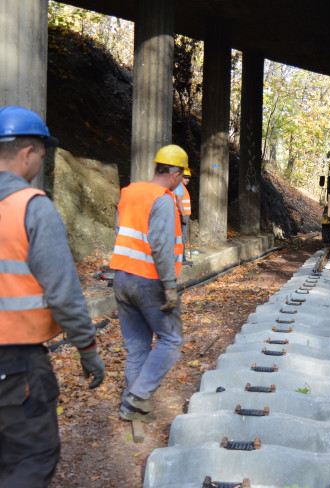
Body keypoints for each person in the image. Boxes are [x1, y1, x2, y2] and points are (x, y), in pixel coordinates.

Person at [0, 106, 105, 487]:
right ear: (28, 152)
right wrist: (88, 350)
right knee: (33, 455)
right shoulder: (32, 207)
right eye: (42, 154)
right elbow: (64, 293)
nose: (41, 162)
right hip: (15, 362)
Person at [109, 144, 187, 422]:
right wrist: (169, 286)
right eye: (181, 177)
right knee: (171, 339)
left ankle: (131, 404)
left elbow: (121, 231)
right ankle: (137, 397)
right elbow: (161, 246)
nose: (180, 183)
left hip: (121, 277)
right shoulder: (163, 199)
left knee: (138, 346)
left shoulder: (129, 192)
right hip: (149, 280)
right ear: (175, 174)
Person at [174, 167, 192, 265]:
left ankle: (179, 258)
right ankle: (182, 259)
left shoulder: (179, 186)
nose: (187, 179)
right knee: (181, 239)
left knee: (179, 238)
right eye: (185, 177)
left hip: (179, 215)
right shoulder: (180, 187)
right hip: (181, 216)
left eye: (188, 178)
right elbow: (179, 200)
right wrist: (184, 215)